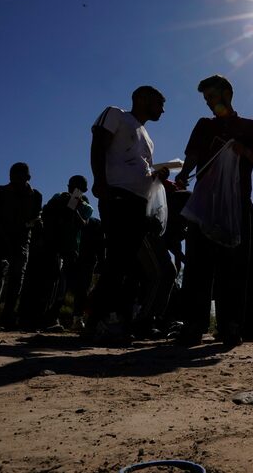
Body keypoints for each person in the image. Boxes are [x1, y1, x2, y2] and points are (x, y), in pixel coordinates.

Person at [173, 75, 253, 346]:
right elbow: (191, 157)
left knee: (234, 266)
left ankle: (230, 325)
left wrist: (243, 150)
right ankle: (194, 324)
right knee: (198, 265)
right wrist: (183, 175)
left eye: (212, 97)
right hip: (205, 206)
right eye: (206, 99)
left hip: (237, 205)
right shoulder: (204, 126)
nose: (209, 103)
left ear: (227, 93)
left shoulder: (249, 126)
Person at [89, 85, 167, 344]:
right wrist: (100, 181)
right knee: (118, 260)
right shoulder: (116, 115)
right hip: (117, 197)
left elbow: (141, 168)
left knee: (129, 264)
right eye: (159, 103)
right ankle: (98, 321)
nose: (163, 109)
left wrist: (159, 176)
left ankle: (120, 321)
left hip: (138, 203)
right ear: (142, 98)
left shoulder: (148, 137)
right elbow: (99, 143)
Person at [0, 162, 43, 329]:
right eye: (12, 174)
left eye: (19, 174)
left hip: (22, 240)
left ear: (28, 177)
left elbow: (36, 217)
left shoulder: (36, 195)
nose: (14, 177)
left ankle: (8, 316)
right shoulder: (0, 191)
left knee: (16, 279)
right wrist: (7, 238)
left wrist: (27, 228)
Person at [33, 175, 94, 331]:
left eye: (79, 188)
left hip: (71, 250)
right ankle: (46, 317)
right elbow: (45, 214)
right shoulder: (58, 198)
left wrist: (75, 208)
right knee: (52, 283)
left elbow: (84, 224)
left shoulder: (85, 206)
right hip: (53, 246)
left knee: (69, 286)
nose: (75, 190)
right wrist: (60, 204)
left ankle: (64, 318)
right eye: (73, 186)